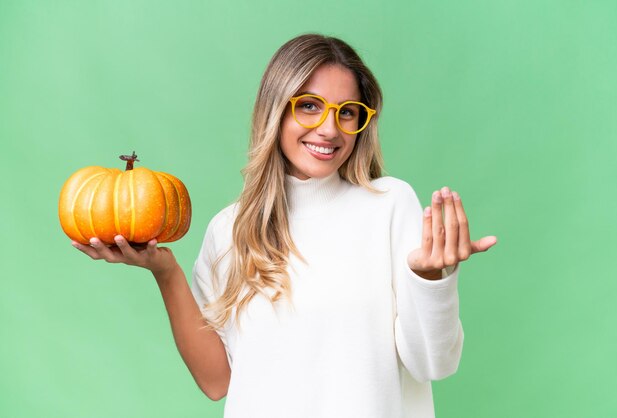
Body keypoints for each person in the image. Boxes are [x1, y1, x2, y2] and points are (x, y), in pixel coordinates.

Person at [72, 33, 497, 418]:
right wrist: (165, 272)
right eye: (309, 106)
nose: (329, 129)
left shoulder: (389, 204)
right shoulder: (230, 229)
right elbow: (217, 382)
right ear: (275, 110)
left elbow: (433, 364)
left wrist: (430, 279)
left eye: (347, 112)